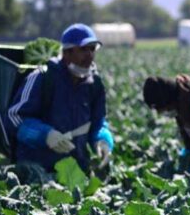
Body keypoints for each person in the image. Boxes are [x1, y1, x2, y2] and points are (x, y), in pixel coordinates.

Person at [6, 24, 114, 172]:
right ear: (67, 53)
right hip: (37, 169)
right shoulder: (42, 77)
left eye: (92, 49)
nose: (89, 55)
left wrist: (102, 140)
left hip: (76, 170)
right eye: (83, 49)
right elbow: (15, 118)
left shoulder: (94, 84)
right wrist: (46, 135)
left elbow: (98, 123)